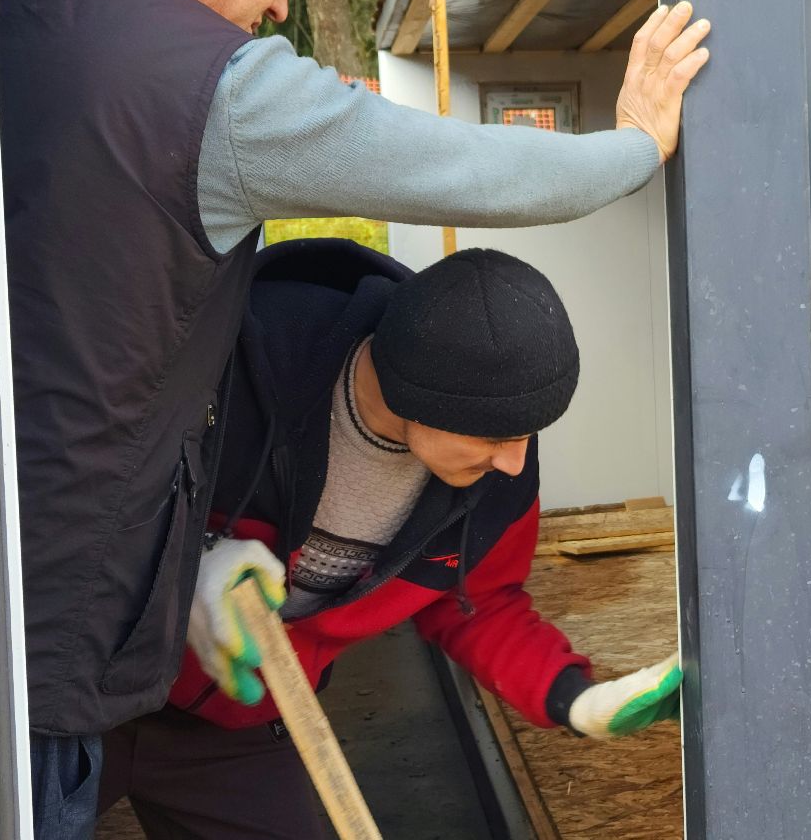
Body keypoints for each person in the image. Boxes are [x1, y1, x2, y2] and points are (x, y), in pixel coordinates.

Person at [0, 0, 709, 834]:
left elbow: (481, 605)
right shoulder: (201, 85)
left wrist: (575, 697)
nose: (280, 2)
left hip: (40, 636)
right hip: (76, 653)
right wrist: (633, 148)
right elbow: (444, 160)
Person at [94, 240, 681, 837]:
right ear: (415, 395)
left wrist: (575, 700)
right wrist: (187, 564)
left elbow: (476, 605)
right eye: (496, 436)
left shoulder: (494, 479)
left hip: (233, 722)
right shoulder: (228, 363)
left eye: (529, 433)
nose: (514, 462)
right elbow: (70, 493)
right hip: (84, 693)